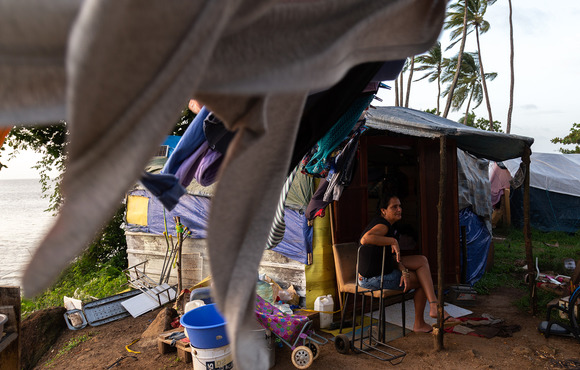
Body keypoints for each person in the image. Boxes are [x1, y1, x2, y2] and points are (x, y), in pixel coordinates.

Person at [358, 194, 457, 332]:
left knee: (422, 261)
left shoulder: (391, 227)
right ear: (383, 211)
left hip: (383, 270)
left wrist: (404, 271)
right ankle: (426, 316)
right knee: (424, 281)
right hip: (371, 279)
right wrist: (393, 241)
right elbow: (365, 239)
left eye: (400, 206)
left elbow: (392, 258)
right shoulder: (383, 225)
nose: (399, 209)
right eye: (394, 207)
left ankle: (433, 307)